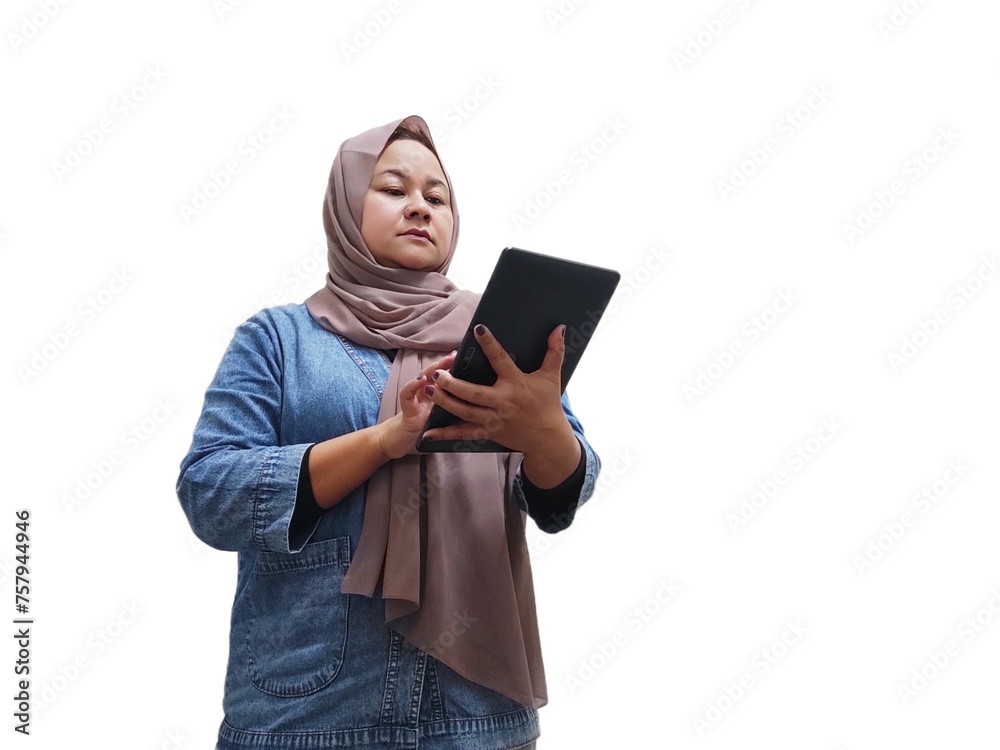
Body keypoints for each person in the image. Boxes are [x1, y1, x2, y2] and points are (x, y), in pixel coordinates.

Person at [176, 115, 602, 750]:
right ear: (346, 204)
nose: (420, 208)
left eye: (437, 198)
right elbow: (210, 494)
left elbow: (564, 488)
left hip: (477, 719)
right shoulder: (279, 340)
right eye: (394, 189)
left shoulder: (497, 343)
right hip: (308, 717)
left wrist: (542, 429)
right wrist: (383, 441)